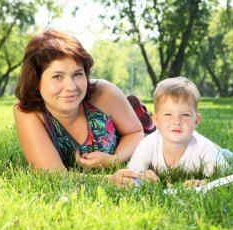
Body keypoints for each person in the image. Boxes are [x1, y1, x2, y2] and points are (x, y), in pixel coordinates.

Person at [13, 29, 158, 187]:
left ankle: (141, 112)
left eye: (77, 74)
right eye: (57, 76)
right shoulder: (27, 111)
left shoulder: (104, 92)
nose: (71, 86)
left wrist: (114, 159)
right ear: (36, 80)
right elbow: (52, 174)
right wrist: (109, 180)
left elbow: (136, 132)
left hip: (146, 130)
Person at [127, 76, 229, 187]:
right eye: (168, 114)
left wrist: (203, 183)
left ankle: (225, 153)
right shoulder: (147, 145)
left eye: (185, 115)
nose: (176, 121)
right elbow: (131, 174)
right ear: (156, 120)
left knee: (223, 155)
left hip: (214, 152)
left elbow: (225, 177)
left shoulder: (204, 148)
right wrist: (142, 176)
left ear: (196, 120)